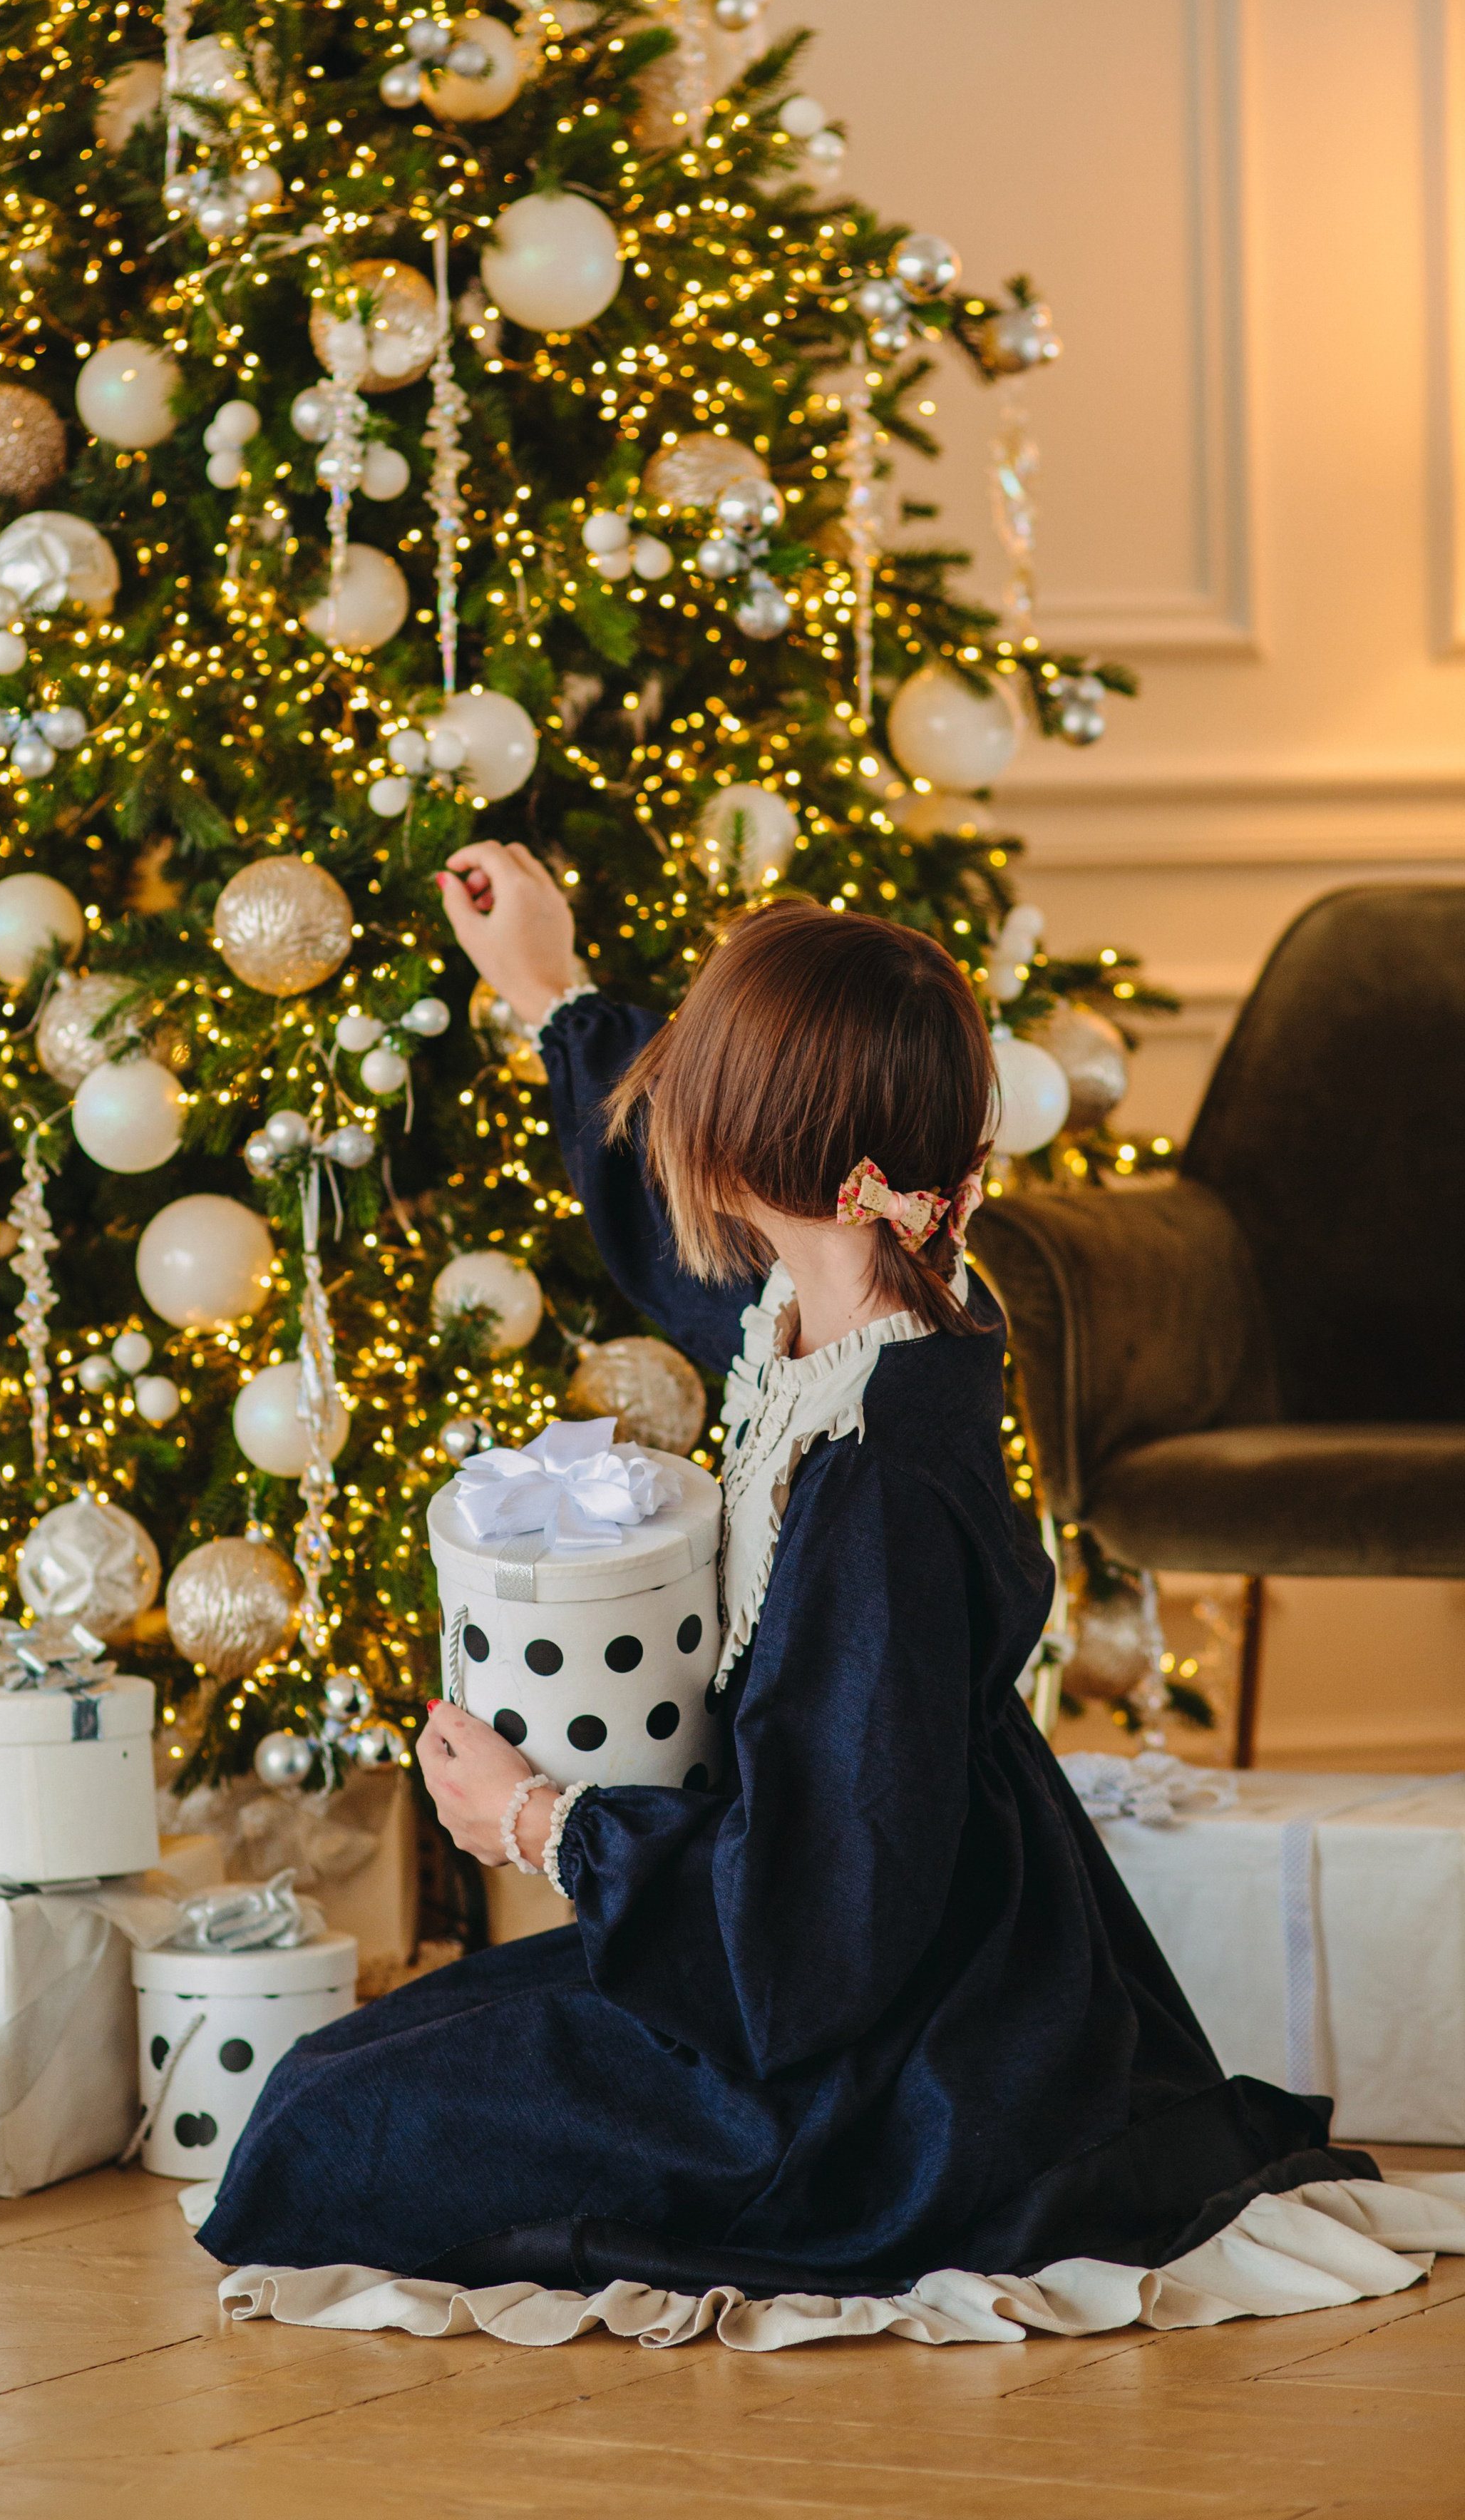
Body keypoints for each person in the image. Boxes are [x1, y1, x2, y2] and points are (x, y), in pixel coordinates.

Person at [197, 846, 1369, 2300]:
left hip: (871, 2041)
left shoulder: (874, 1473)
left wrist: (533, 1822)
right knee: (341, 2077)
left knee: (332, 2124)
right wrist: (551, 991)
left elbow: (822, 1917)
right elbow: (674, 1246)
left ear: (759, 1161)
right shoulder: (820, 1308)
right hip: (809, 1931)